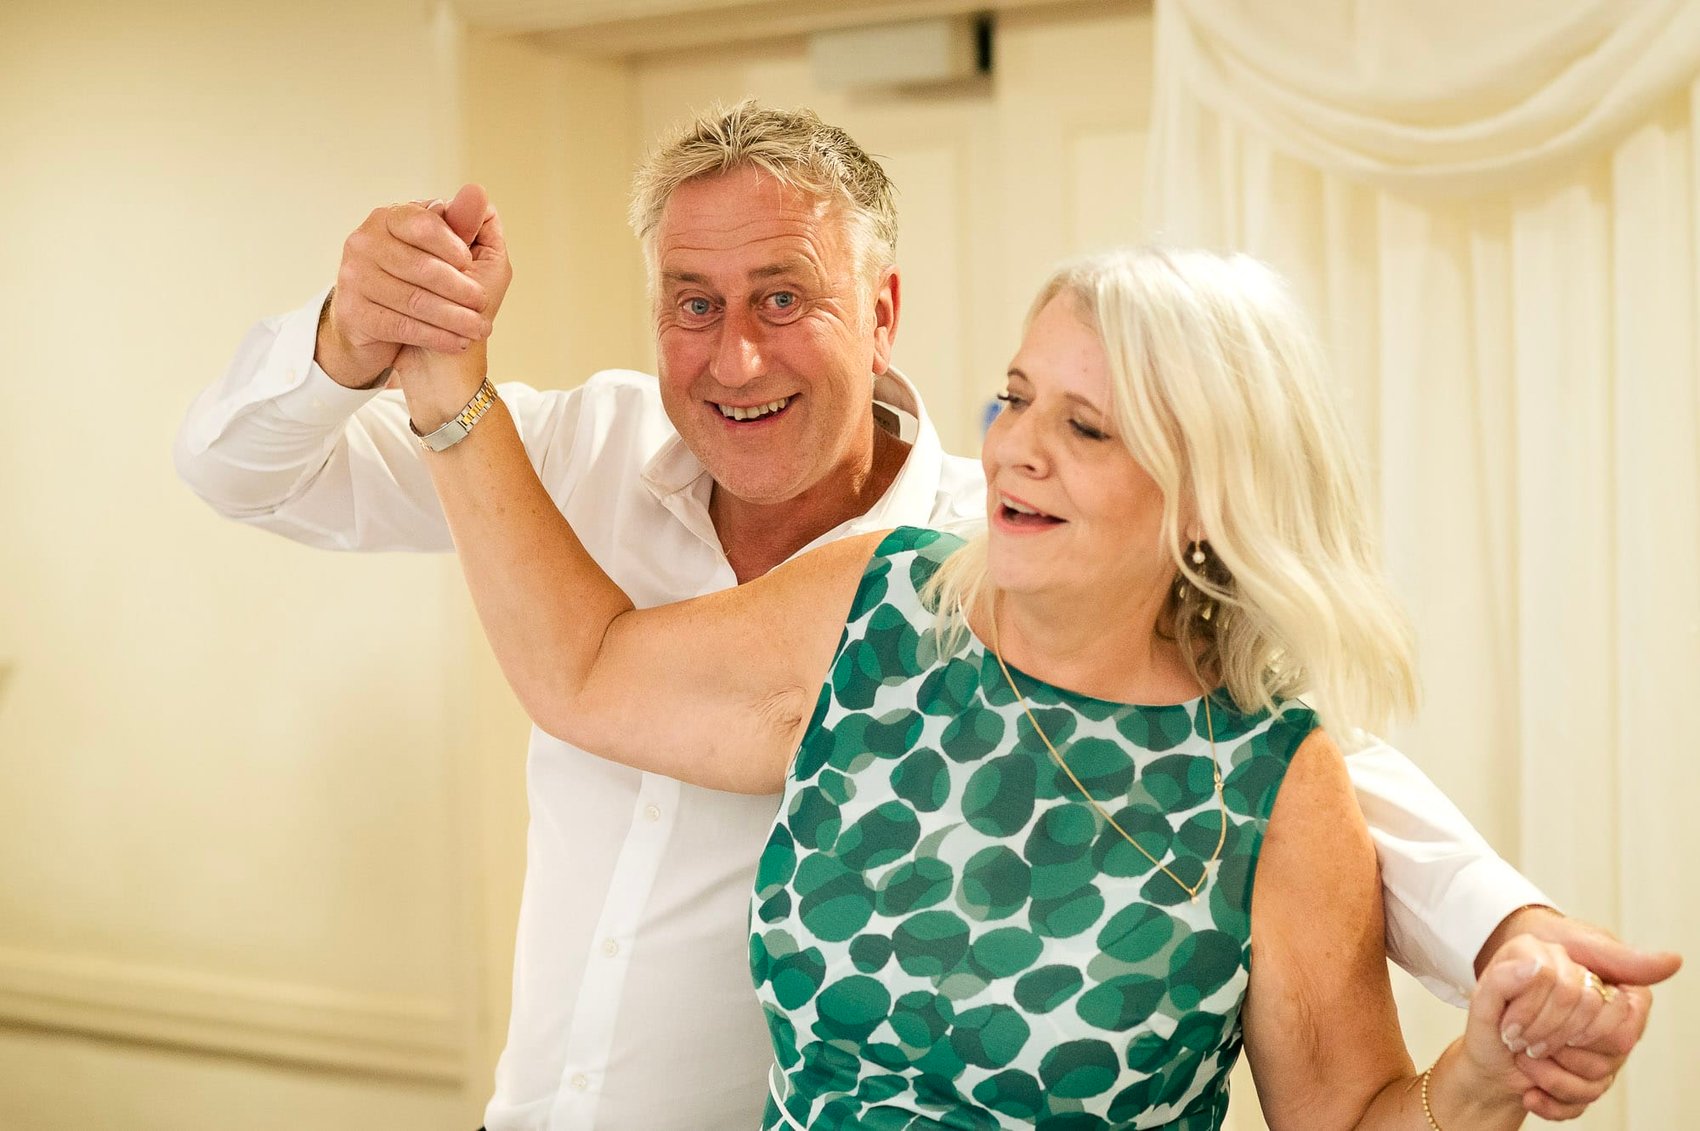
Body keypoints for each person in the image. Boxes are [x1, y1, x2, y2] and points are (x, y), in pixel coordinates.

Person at [173, 103, 1676, 1129]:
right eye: (691, 300)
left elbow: (1289, 765)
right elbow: (254, 480)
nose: (733, 348)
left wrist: (1509, 937)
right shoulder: (593, 461)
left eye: (785, 295)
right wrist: (379, 341)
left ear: (883, 309)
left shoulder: (981, 562)